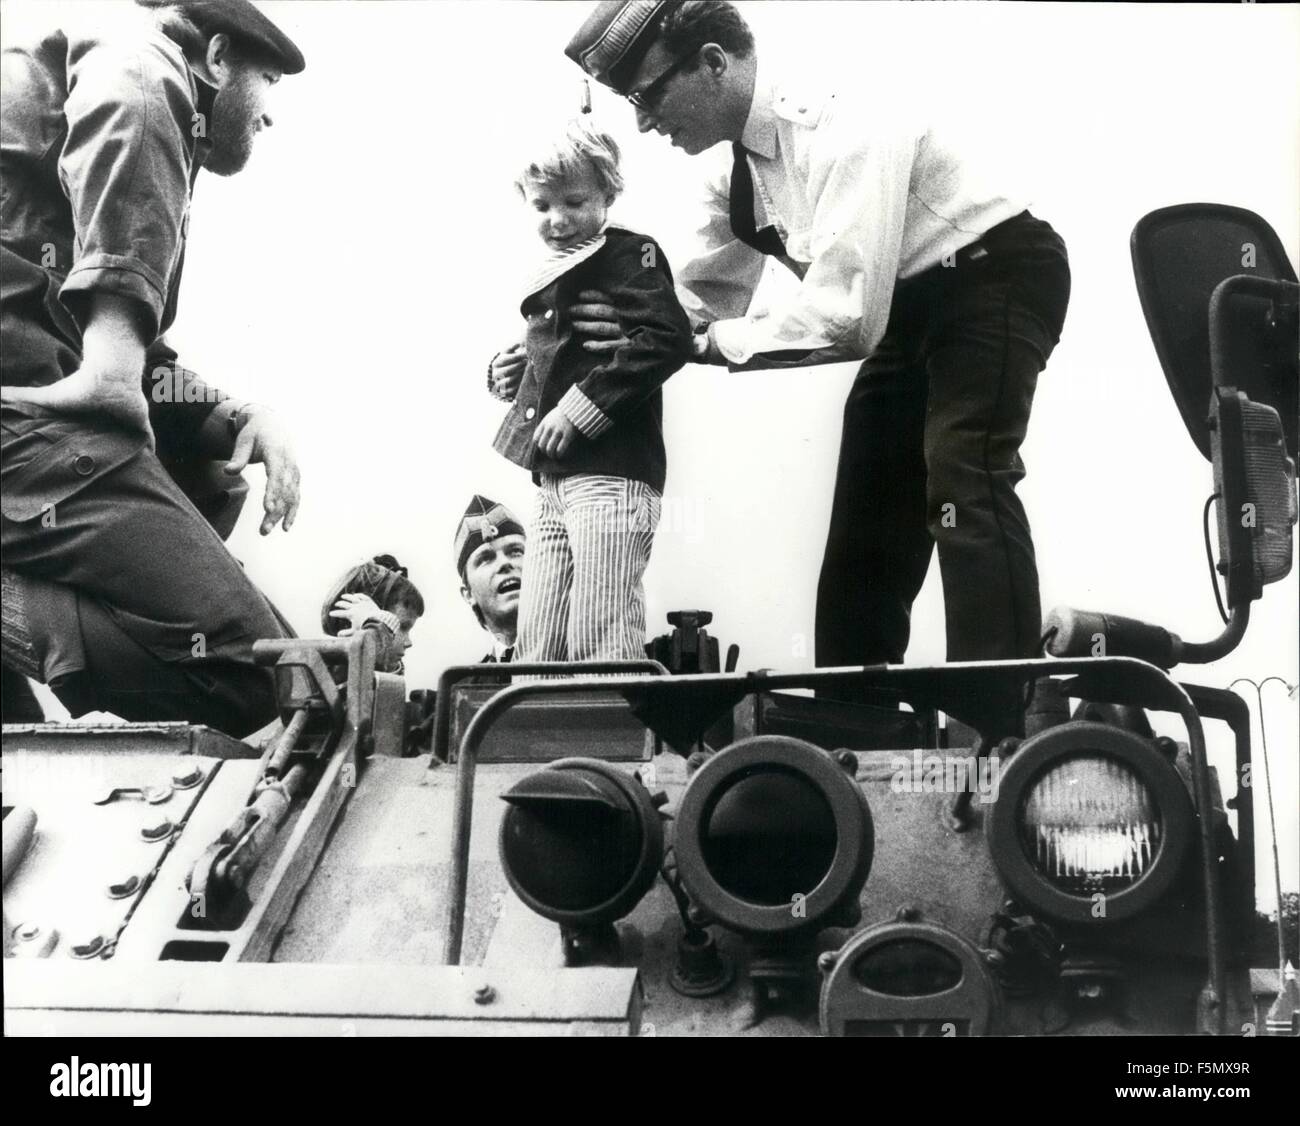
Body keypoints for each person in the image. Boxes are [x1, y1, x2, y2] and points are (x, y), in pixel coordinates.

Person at [563, 1, 1071, 733]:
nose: (644, 123)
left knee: (963, 469)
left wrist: (699, 345)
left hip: (993, 276)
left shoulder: (841, 120)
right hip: (909, 310)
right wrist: (588, 349)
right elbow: (697, 298)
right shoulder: (735, 176)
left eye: (648, 96)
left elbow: (847, 314)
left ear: (713, 61)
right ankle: (855, 728)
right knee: (868, 509)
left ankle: (1003, 723)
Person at [0, 0, 306, 735]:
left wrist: (231, 417)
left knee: (285, 651)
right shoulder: (143, 58)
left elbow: (114, 341)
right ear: (218, 56)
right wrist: (111, 363)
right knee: (254, 674)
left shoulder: (61, 105)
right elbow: (130, 88)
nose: (271, 117)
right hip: (19, 414)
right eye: (268, 80)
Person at [487, 117, 692, 663]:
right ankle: (538, 739)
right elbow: (560, 349)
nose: (559, 220)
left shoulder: (633, 252)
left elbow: (668, 337)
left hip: (611, 468)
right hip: (554, 475)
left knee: (599, 628)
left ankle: (615, 743)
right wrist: (507, 372)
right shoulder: (558, 266)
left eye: (575, 201)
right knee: (539, 637)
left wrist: (580, 409)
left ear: (608, 190)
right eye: (542, 206)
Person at [454, 495, 527, 665]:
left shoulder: (582, 661)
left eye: (516, 552)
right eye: (485, 558)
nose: (504, 563)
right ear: (468, 594)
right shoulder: (464, 688)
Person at [321, 555, 424, 675]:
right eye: (398, 625)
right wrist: (374, 630)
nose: (408, 642)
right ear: (350, 622)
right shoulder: (329, 670)